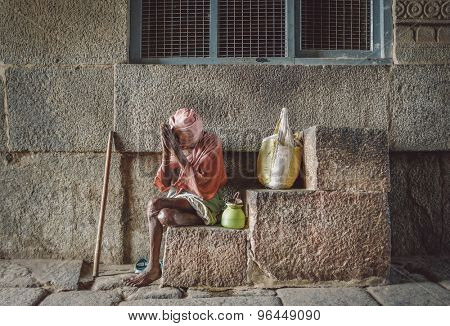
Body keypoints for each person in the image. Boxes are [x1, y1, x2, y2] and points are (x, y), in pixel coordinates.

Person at [124, 108, 227, 287]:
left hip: (206, 199)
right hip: (182, 197)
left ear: (194, 133)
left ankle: (153, 268)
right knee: (164, 216)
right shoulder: (176, 143)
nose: (182, 144)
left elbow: (205, 186)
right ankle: (205, 220)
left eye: (184, 140)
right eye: (178, 139)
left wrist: (177, 151)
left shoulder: (211, 141)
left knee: (154, 203)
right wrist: (166, 150)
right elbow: (166, 180)